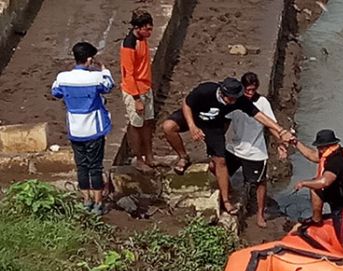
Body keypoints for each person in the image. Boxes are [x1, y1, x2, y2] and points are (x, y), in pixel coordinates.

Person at [162, 77, 294, 214]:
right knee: (168, 126)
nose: (233, 102)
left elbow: (259, 115)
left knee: (220, 161)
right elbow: (187, 103)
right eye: (230, 99)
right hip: (194, 116)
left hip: (213, 126)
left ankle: (225, 200)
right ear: (222, 94)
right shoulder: (206, 90)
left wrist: (280, 130)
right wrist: (192, 126)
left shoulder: (239, 100)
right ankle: (183, 156)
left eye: (235, 99)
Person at [52, 42, 114, 215]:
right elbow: (108, 85)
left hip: (75, 128)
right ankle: (98, 202)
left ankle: (86, 200)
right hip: (94, 128)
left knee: (82, 166)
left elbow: (55, 92)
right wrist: (104, 69)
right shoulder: (95, 78)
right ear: (89, 60)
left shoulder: (63, 77)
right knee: (95, 166)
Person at [291, 129, 343, 258]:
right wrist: (295, 143)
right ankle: (317, 219)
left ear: (326, 146)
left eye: (320, 147)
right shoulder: (332, 153)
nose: (319, 150)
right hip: (335, 194)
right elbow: (312, 155)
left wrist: (303, 183)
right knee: (314, 185)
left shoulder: (336, 161)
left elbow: (325, 181)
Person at [224, 72, 280, 227]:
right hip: (235, 147)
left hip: (255, 151)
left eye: (253, 90)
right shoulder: (234, 101)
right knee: (216, 167)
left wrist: (281, 143)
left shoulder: (262, 103)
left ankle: (260, 214)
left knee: (260, 182)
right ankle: (230, 192)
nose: (250, 93)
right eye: (247, 90)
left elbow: (271, 125)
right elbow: (225, 122)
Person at [120, 9, 155, 171]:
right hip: (135, 90)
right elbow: (128, 74)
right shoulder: (129, 44)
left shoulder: (142, 39)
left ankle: (149, 156)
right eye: (147, 29)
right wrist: (136, 99)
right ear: (138, 28)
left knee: (148, 123)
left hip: (146, 87)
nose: (150, 32)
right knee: (136, 125)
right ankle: (138, 159)